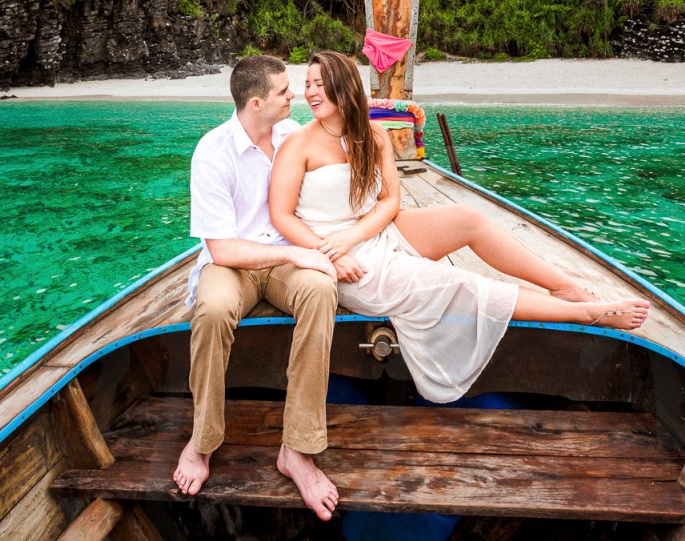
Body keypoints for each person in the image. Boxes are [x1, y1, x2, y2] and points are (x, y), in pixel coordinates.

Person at [269, 50, 649, 403]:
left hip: (372, 232)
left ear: (344, 86)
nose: (310, 93)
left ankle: (565, 288)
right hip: (336, 253)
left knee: (467, 219)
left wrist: (357, 232)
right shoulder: (299, 143)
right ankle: (586, 314)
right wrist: (330, 253)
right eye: (307, 85)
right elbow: (281, 216)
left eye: (319, 84)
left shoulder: (374, 135)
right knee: (458, 283)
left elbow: (390, 201)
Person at [174, 54, 340, 520]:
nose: (296, 97)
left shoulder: (293, 135)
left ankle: (298, 449)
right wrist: (292, 252)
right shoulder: (212, 152)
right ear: (254, 103)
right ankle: (203, 441)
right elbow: (223, 249)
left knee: (321, 290)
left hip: (286, 261)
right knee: (210, 309)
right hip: (236, 264)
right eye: (285, 93)